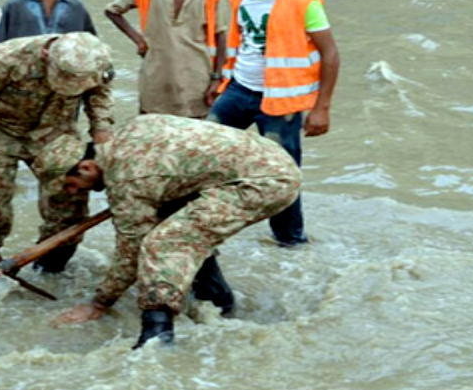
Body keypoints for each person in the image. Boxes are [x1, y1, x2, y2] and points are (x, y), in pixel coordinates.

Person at [49, 114, 302, 348]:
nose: (73, 192)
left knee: (164, 241)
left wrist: (99, 302)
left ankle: (156, 340)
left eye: (71, 185)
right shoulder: (132, 130)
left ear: (86, 167)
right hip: (270, 159)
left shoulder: (126, 179)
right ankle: (217, 300)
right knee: (181, 225)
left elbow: (131, 250)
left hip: (265, 182)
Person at [208, 0, 340, 247]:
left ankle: (290, 241)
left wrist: (323, 107)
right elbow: (235, 40)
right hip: (239, 89)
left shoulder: (305, 3)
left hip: (282, 101)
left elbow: (330, 54)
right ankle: (206, 224)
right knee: (205, 150)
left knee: (281, 174)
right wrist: (218, 79)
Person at [0, 33, 113, 275]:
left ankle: (52, 264)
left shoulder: (95, 62)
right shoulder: (5, 60)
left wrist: (103, 144)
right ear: (47, 56)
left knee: (70, 197)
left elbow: (98, 98)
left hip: (53, 128)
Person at [104, 0, 228, 119]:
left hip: (196, 77)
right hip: (156, 75)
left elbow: (222, 37)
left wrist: (217, 79)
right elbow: (112, 11)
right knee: (151, 128)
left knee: (194, 132)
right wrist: (138, 40)